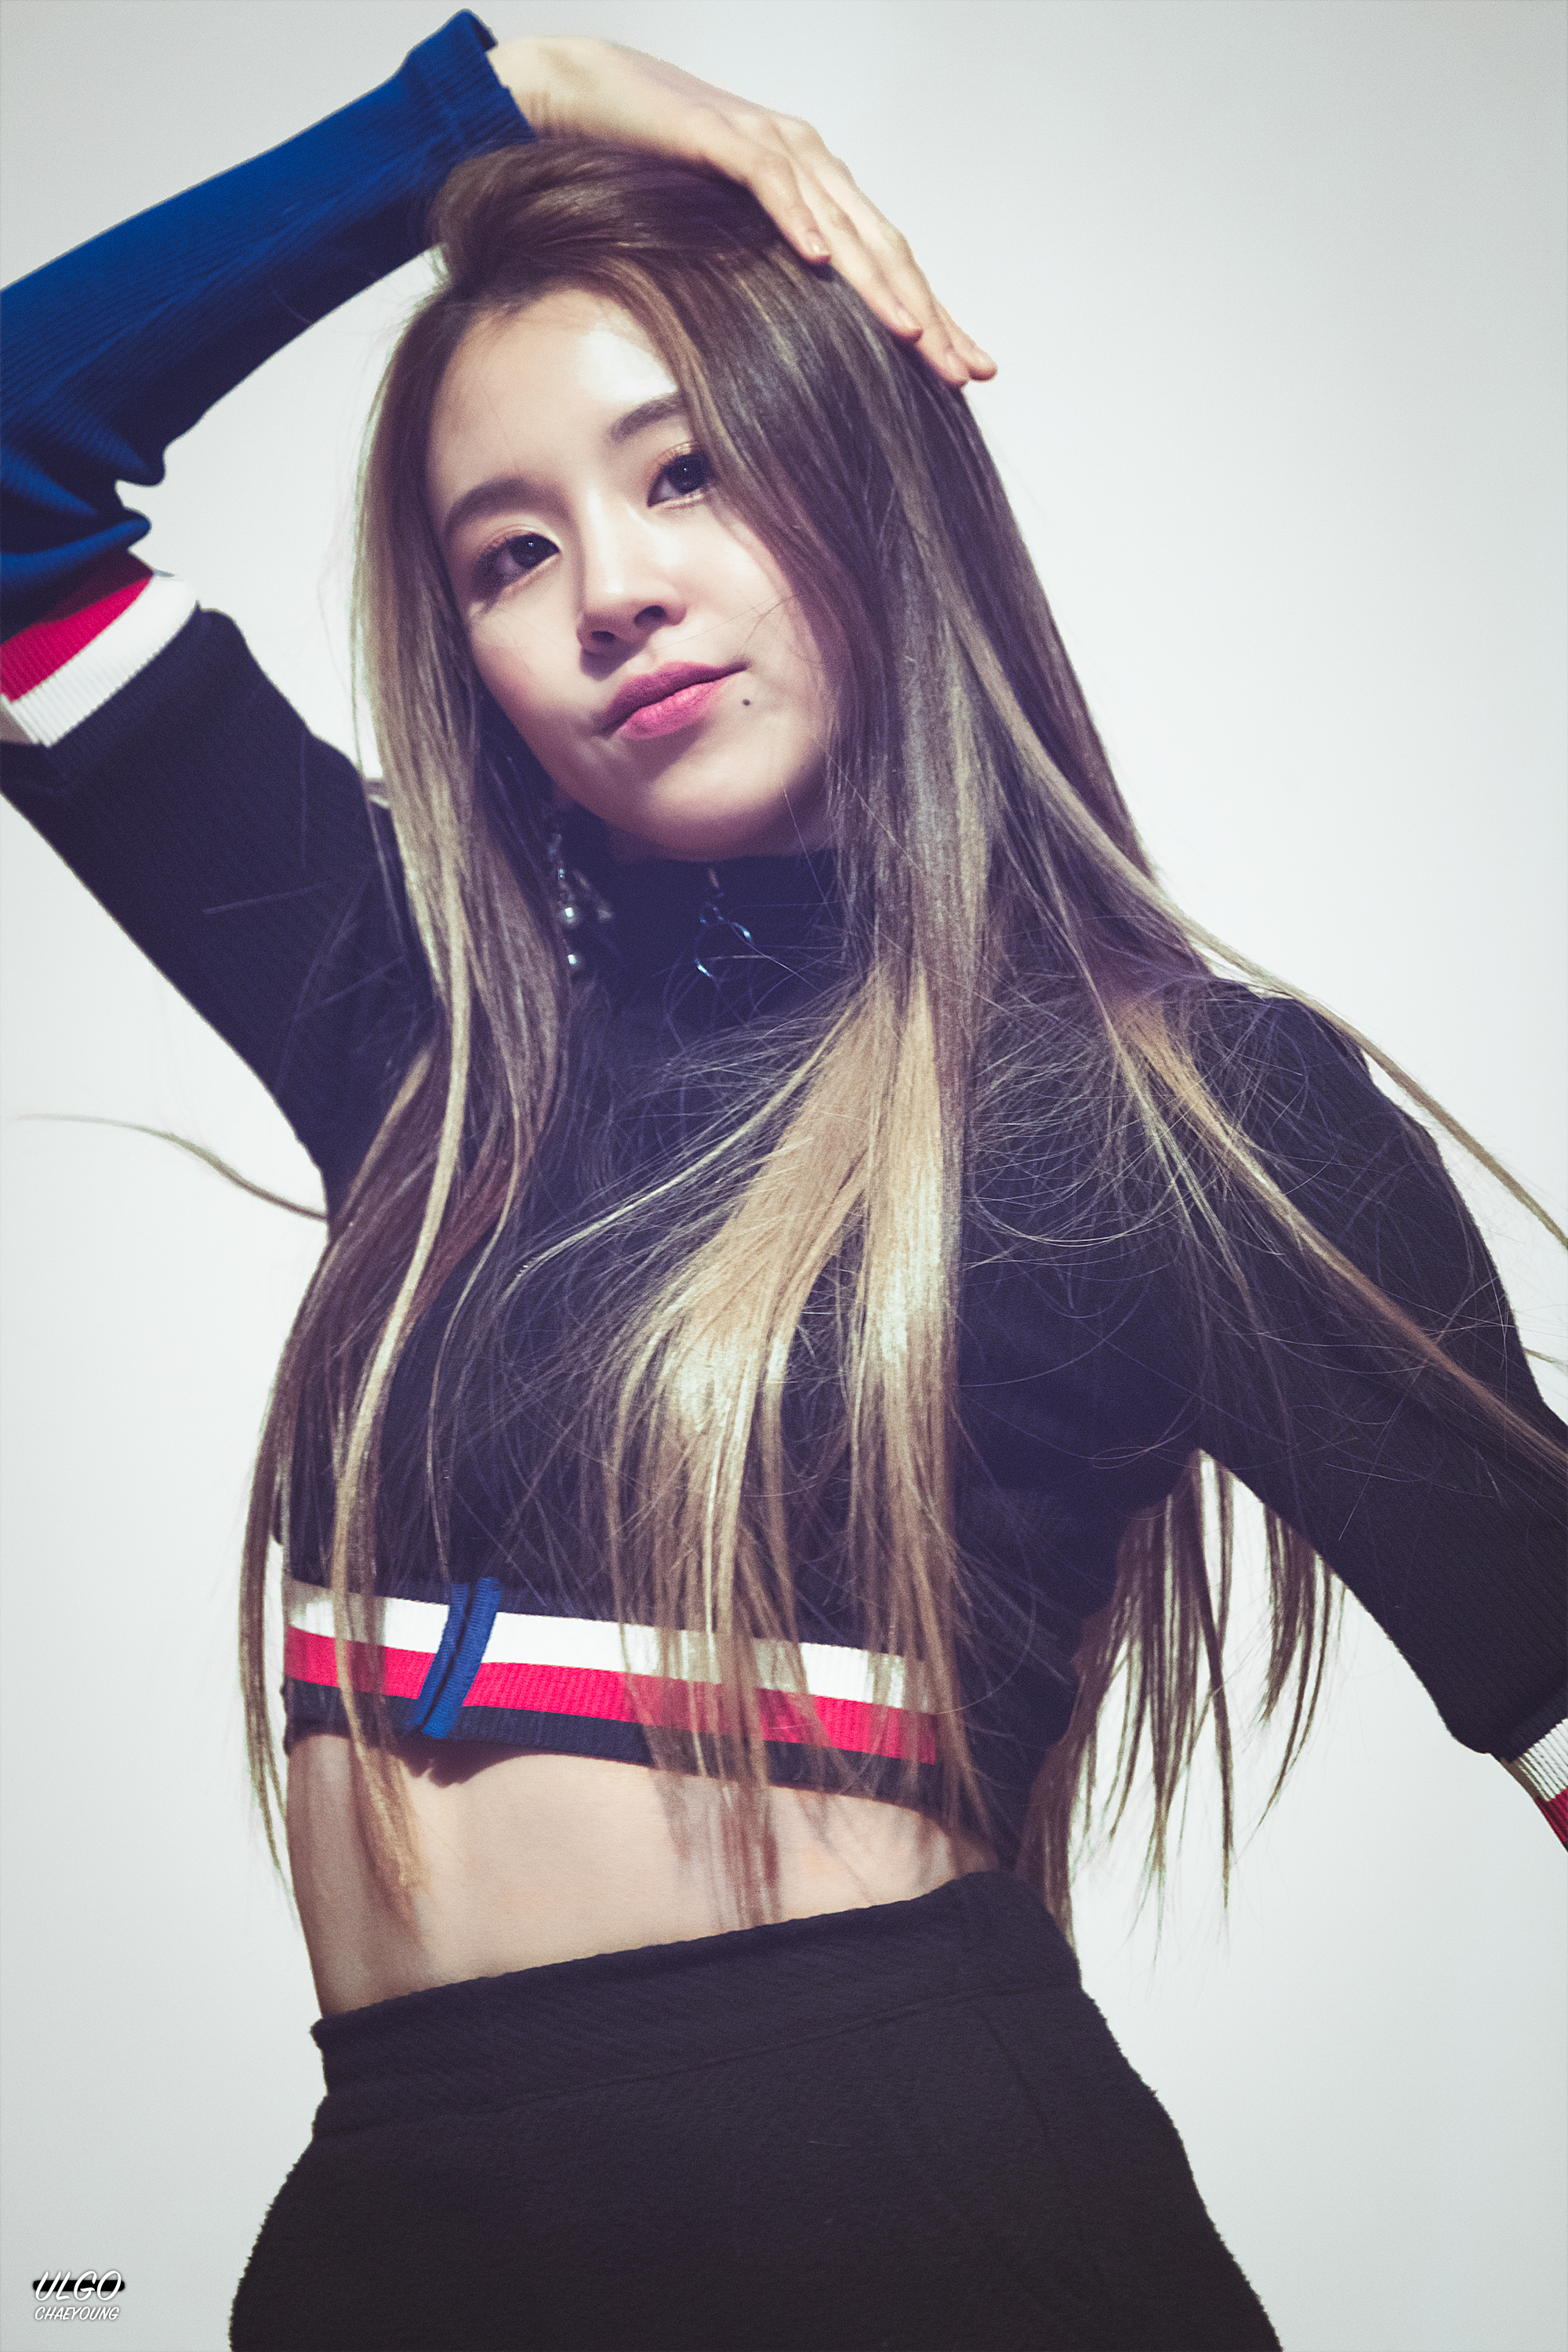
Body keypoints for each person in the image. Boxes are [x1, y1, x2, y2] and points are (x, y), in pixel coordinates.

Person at [2, 14, 1563, 2351]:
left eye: (691, 475)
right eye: (510, 550)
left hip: (912, 2234)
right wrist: (478, 107)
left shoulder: (1164, 1106)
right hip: (388, 2236)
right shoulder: (422, 1028)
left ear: (871, 490)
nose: (610, 589)